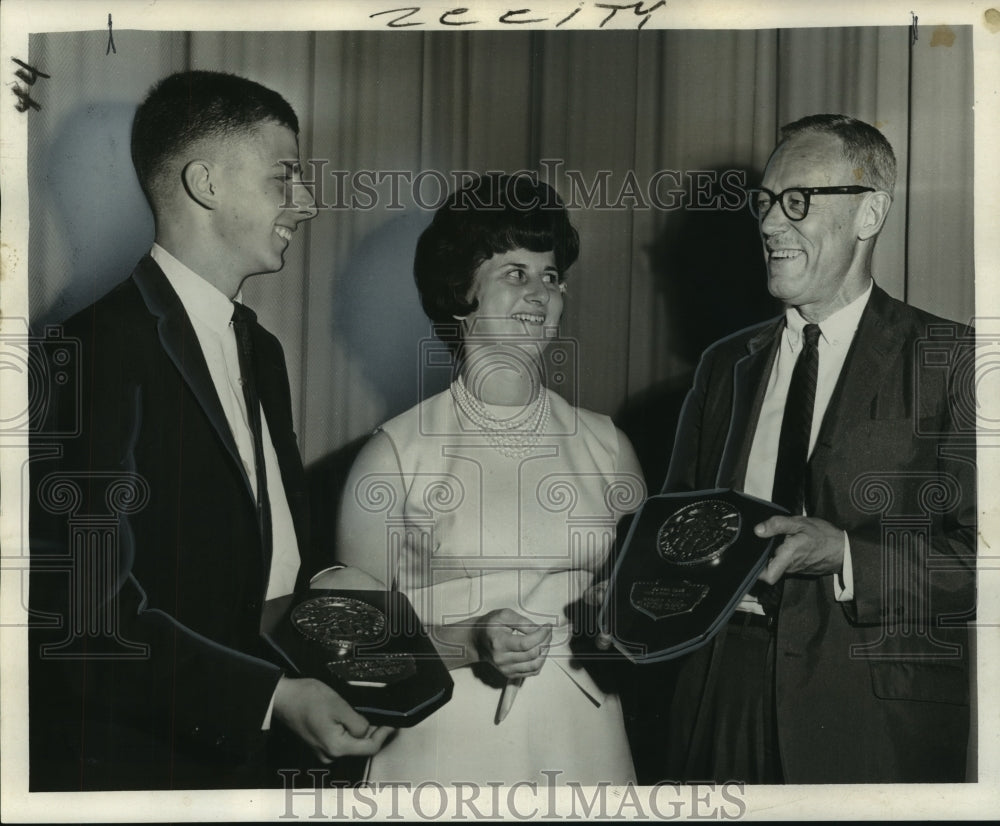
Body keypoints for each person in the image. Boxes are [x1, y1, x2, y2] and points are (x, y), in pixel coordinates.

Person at [28, 70, 391, 791]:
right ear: (205, 183)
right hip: (144, 770)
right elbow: (91, 615)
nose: (308, 202)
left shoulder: (261, 348)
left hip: (259, 760)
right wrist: (272, 699)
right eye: (285, 177)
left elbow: (262, 563)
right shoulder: (88, 350)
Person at [655, 114, 976, 784]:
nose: (771, 225)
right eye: (766, 202)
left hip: (866, 714)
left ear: (870, 213)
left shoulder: (954, 362)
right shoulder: (725, 366)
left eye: (798, 201)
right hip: (717, 694)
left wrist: (846, 555)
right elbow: (676, 528)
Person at [335, 174, 646, 785]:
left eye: (551, 276)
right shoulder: (394, 455)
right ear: (461, 290)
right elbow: (349, 646)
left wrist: (620, 626)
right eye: (514, 273)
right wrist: (471, 640)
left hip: (584, 746)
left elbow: (646, 616)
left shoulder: (610, 446)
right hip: (441, 749)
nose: (540, 293)